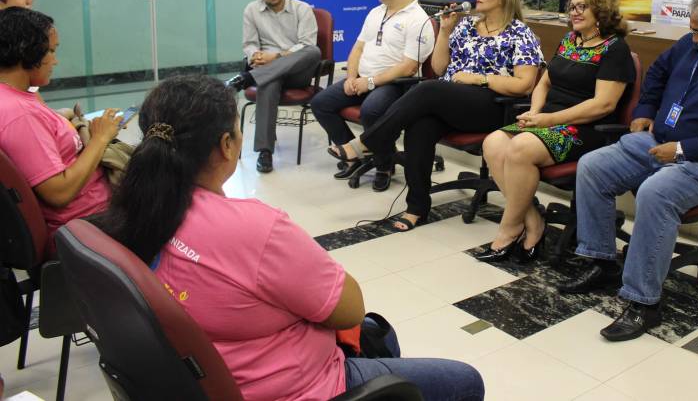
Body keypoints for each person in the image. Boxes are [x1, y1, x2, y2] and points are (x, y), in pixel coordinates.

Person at [97, 74, 484, 401]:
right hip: (293, 388)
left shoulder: (132, 207)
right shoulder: (254, 228)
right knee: (465, 381)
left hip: (204, 379)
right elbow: (348, 309)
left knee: (380, 338)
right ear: (227, 145)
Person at [558, 0, 698, 342]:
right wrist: (644, 112)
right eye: (691, 30)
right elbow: (658, 74)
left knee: (656, 193)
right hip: (657, 142)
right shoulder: (692, 47)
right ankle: (601, 262)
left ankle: (644, 302)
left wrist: (681, 149)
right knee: (593, 166)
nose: (693, 39)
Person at [328, 0, 542, 231]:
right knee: (421, 125)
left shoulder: (520, 32)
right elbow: (440, 68)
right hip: (451, 99)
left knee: (428, 89)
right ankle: (417, 207)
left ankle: (370, 141)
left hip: (493, 104)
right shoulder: (466, 26)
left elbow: (524, 84)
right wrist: (445, 32)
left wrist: (478, 79)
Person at [478, 0, 635, 263]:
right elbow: (544, 83)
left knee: (520, 148)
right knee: (493, 143)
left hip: (586, 128)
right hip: (546, 120)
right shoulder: (569, 40)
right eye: (572, 6)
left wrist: (548, 119)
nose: (574, 12)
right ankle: (533, 220)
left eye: (582, 6)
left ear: (601, 9)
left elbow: (603, 104)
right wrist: (535, 112)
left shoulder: (615, 49)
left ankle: (509, 227)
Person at [0, 8, 120, 253]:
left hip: (90, 218)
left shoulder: (16, 99)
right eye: (51, 51)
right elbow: (59, 192)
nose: (55, 60)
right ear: (28, 52)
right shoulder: (19, 114)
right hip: (87, 226)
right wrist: (100, 138)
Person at [311, 0, 435, 191]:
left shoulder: (418, 20)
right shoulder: (375, 12)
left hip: (396, 84)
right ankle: (354, 154)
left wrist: (369, 82)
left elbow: (409, 67)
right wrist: (350, 78)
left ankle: (384, 164)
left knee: (372, 110)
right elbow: (357, 49)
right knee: (320, 103)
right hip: (362, 79)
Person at [225, 0, 320, 174]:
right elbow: (249, 44)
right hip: (267, 71)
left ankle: (246, 78)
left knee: (313, 51)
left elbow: (306, 45)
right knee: (268, 82)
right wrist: (254, 56)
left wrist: (275, 57)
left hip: (297, 73)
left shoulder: (302, 9)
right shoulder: (251, 10)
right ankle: (265, 152)